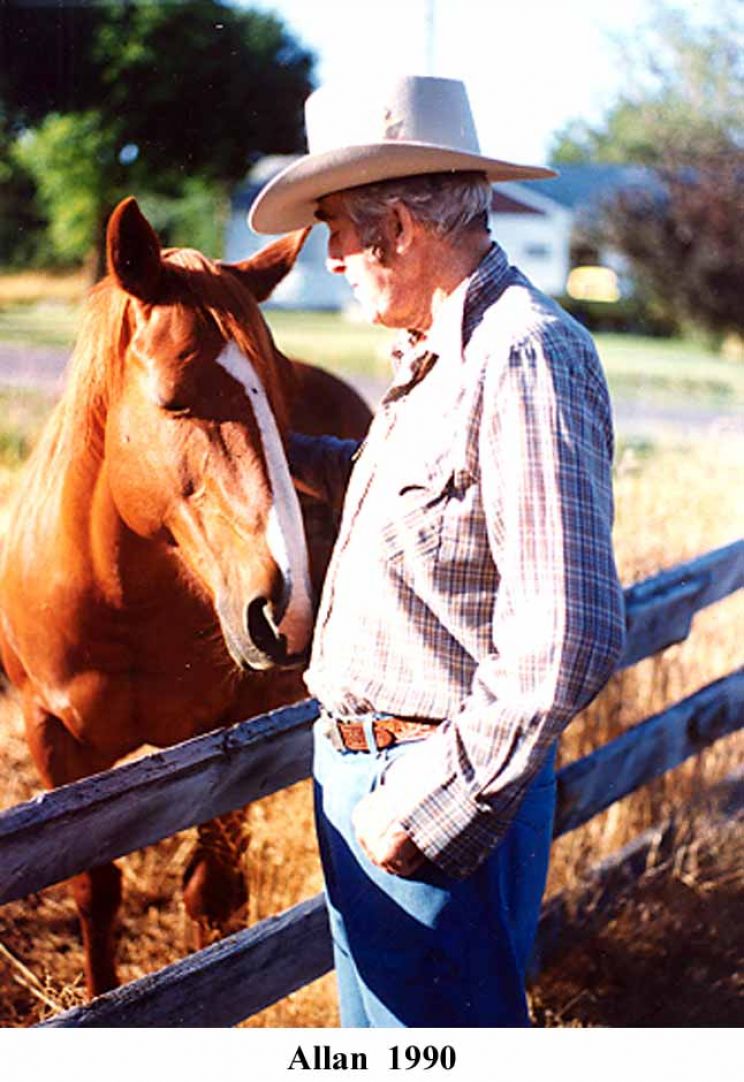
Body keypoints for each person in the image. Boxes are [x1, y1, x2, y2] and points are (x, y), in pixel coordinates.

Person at [249, 75, 626, 1028]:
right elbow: (414, 503)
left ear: (401, 226)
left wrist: (441, 803)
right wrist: (252, 450)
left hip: (429, 783)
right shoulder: (440, 356)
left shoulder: (521, 353)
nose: (331, 258)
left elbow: (569, 633)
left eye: (337, 227)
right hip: (373, 771)